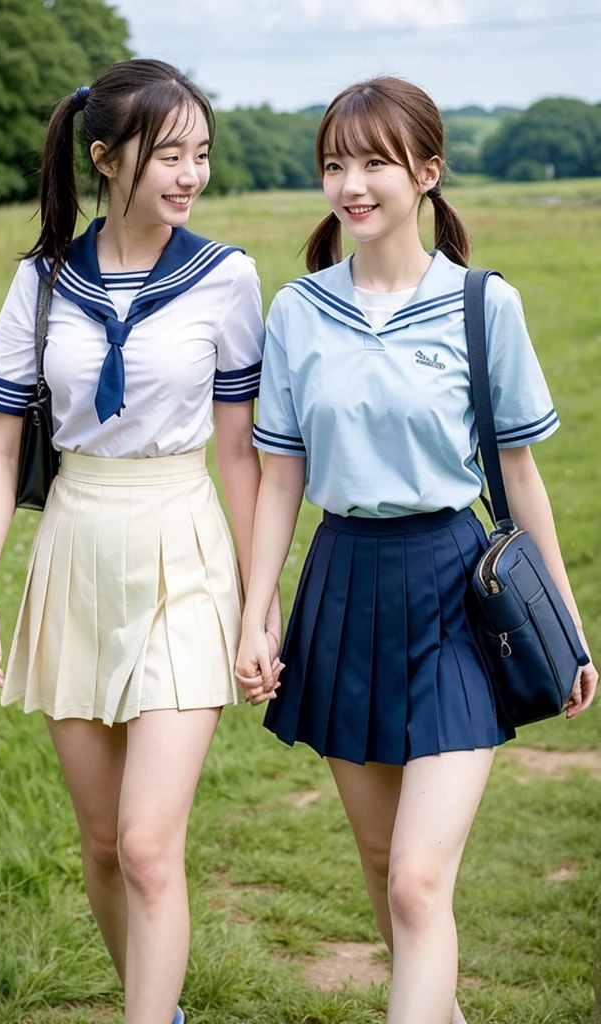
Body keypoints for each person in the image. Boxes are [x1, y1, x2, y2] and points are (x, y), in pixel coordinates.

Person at [235, 76, 597, 1024]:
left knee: (415, 882)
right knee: (378, 860)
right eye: (334, 164)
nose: (351, 184)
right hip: (343, 584)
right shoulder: (297, 313)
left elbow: (519, 479)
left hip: (454, 590)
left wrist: (567, 628)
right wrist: (256, 610)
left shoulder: (485, 307)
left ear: (428, 173)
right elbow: (279, 480)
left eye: (375, 163)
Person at [0, 58, 280, 1024]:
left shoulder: (227, 279)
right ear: (104, 157)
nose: (190, 175)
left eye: (202, 155)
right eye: (167, 154)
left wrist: (259, 608)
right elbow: (4, 443)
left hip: (184, 547)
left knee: (148, 844)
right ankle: (163, 1007)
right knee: (101, 843)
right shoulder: (44, 282)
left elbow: (239, 457)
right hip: (76, 548)